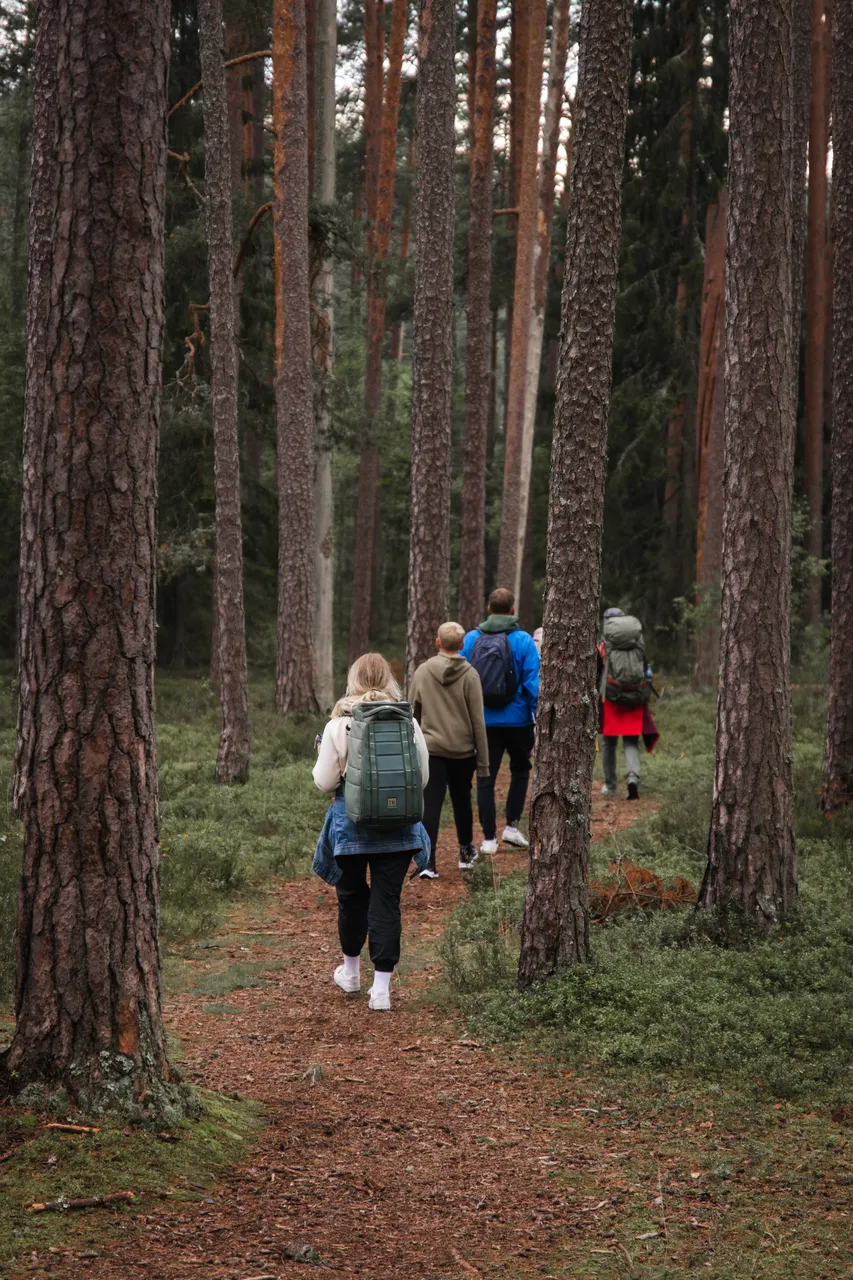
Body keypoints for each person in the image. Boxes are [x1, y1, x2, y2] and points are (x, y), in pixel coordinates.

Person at [312, 653, 430, 1011]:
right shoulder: (406, 721)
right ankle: (381, 991)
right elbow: (421, 778)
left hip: (351, 826)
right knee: (386, 901)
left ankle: (350, 974)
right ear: (388, 679)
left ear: (354, 679)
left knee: (351, 897)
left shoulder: (338, 724)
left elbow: (324, 782)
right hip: (399, 827)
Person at [462, 587, 540, 854]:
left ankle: (488, 839)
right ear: (512, 611)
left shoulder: (471, 639)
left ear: (488, 609)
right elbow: (532, 683)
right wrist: (537, 714)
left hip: (484, 722)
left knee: (485, 777)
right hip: (519, 722)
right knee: (520, 770)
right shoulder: (524, 641)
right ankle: (512, 827)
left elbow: (462, 681)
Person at [409, 621, 489, 876]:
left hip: (431, 750)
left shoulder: (422, 672)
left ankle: (427, 862)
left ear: (437, 643)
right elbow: (478, 720)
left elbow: (411, 714)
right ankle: (465, 852)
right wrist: (484, 762)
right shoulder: (470, 675)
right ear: (463, 645)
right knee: (462, 801)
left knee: (430, 804)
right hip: (463, 751)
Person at [597, 607, 652, 800]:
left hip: (611, 697)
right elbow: (645, 666)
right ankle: (632, 780)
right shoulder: (637, 639)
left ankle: (611, 785)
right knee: (630, 740)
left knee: (608, 743)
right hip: (634, 695)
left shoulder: (605, 644)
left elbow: (598, 670)